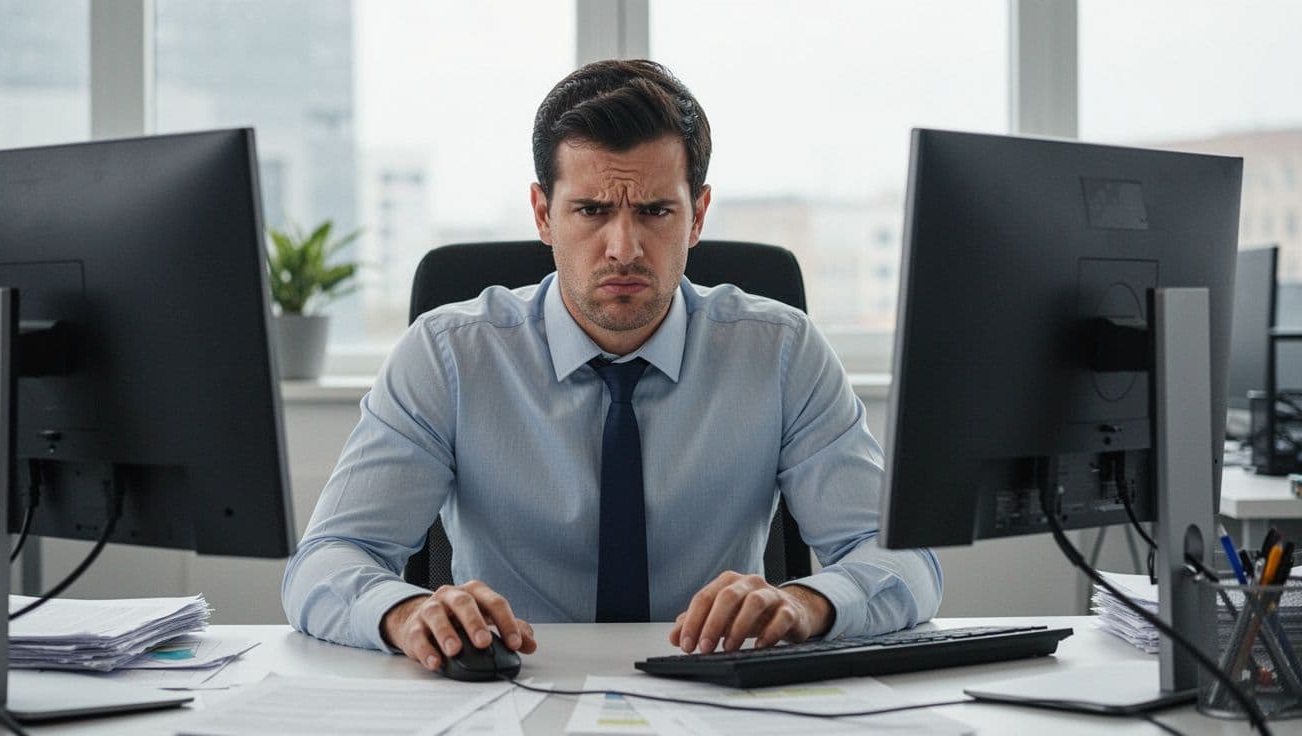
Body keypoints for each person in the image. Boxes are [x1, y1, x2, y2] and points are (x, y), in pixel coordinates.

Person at [282, 59, 942, 672]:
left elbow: (905, 562)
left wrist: (806, 604)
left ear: (698, 215)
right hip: (508, 697)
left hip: (718, 699)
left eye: (655, 211)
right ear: (544, 213)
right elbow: (325, 564)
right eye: (592, 211)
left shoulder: (781, 352)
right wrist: (405, 613)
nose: (623, 248)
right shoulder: (448, 355)